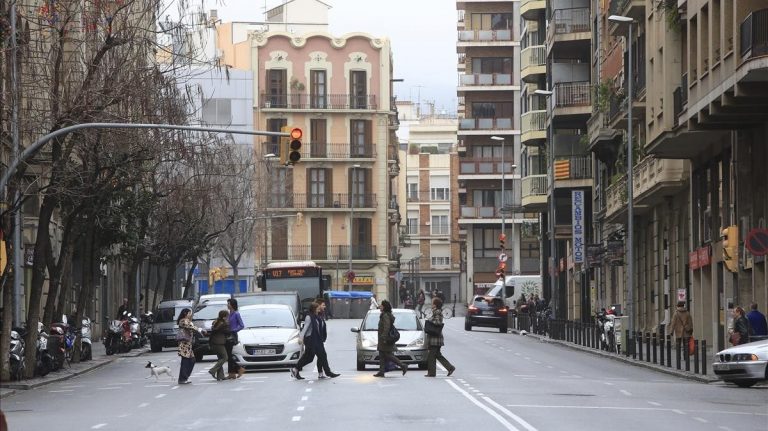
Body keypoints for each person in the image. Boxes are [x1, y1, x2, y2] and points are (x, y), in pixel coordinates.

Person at [374, 300, 406, 378]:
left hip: (384, 338)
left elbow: (387, 327)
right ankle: (381, 372)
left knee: (387, 355)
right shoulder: (385, 314)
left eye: (381, 305)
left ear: (384, 307)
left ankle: (402, 365)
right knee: (382, 355)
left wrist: (384, 337)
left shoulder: (385, 315)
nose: (380, 307)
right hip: (382, 338)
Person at [424, 297, 455, 378]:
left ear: (435, 304)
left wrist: (429, 320)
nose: (431, 304)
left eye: (432, 303)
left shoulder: (437, 312)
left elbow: (438, 322)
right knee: (437, 355)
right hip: (436, 338)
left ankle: (432, 373)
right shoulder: (436, 312)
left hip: (435, 339)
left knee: (431, 356)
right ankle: (450, 367)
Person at [312, 299, 340, 380]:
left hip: (320, 340)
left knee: (321, 356)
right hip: (316, 340)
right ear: (318, 305)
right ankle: (328, 372)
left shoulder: (320, 314)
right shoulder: (315, 315)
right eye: (323, 305)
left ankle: (321, 373)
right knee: (320, 356)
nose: (325, 306)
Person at [292, 302, 321, 380]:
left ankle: (296, 369)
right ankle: (295, 369)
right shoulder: (309, 317)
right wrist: (301, 338)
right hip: (309, 339)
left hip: (314, 339)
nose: (319, 309)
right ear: (314, 309)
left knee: (309, 357)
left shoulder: (315, 316)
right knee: (308, 356)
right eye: (318, 308)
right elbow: (305, 328)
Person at [207, 309, 230, 381]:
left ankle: (220, 376)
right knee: (225, 357)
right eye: (227, 316)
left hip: (213, 343)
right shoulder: (224, 324)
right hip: (219, 343)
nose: (228, 318)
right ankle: (212, 370)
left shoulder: (216, 322)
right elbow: (228, 331)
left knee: (220, 359)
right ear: (224, 317)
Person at [176, 308, 197, 385]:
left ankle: (185, 377)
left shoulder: (187, 320)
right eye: (189, 313)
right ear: (185, 313)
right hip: (184, 344)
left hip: (188, 344)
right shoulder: (182, 321)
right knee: (185, 361)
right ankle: (182, 379)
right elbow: (190, 326)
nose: (190, 314)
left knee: (192, 360)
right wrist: (199, 329)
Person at [226, 298, 245, 379]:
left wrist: (234, 330)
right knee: (228, 355)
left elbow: (242, 325)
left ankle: (239, 368)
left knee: (228, 355)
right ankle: (231, 373)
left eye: (228, 303)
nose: (227, 305)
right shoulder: (229, 313)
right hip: (227, 335)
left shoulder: (236, 314)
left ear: (232, 305)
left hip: (232, 336)